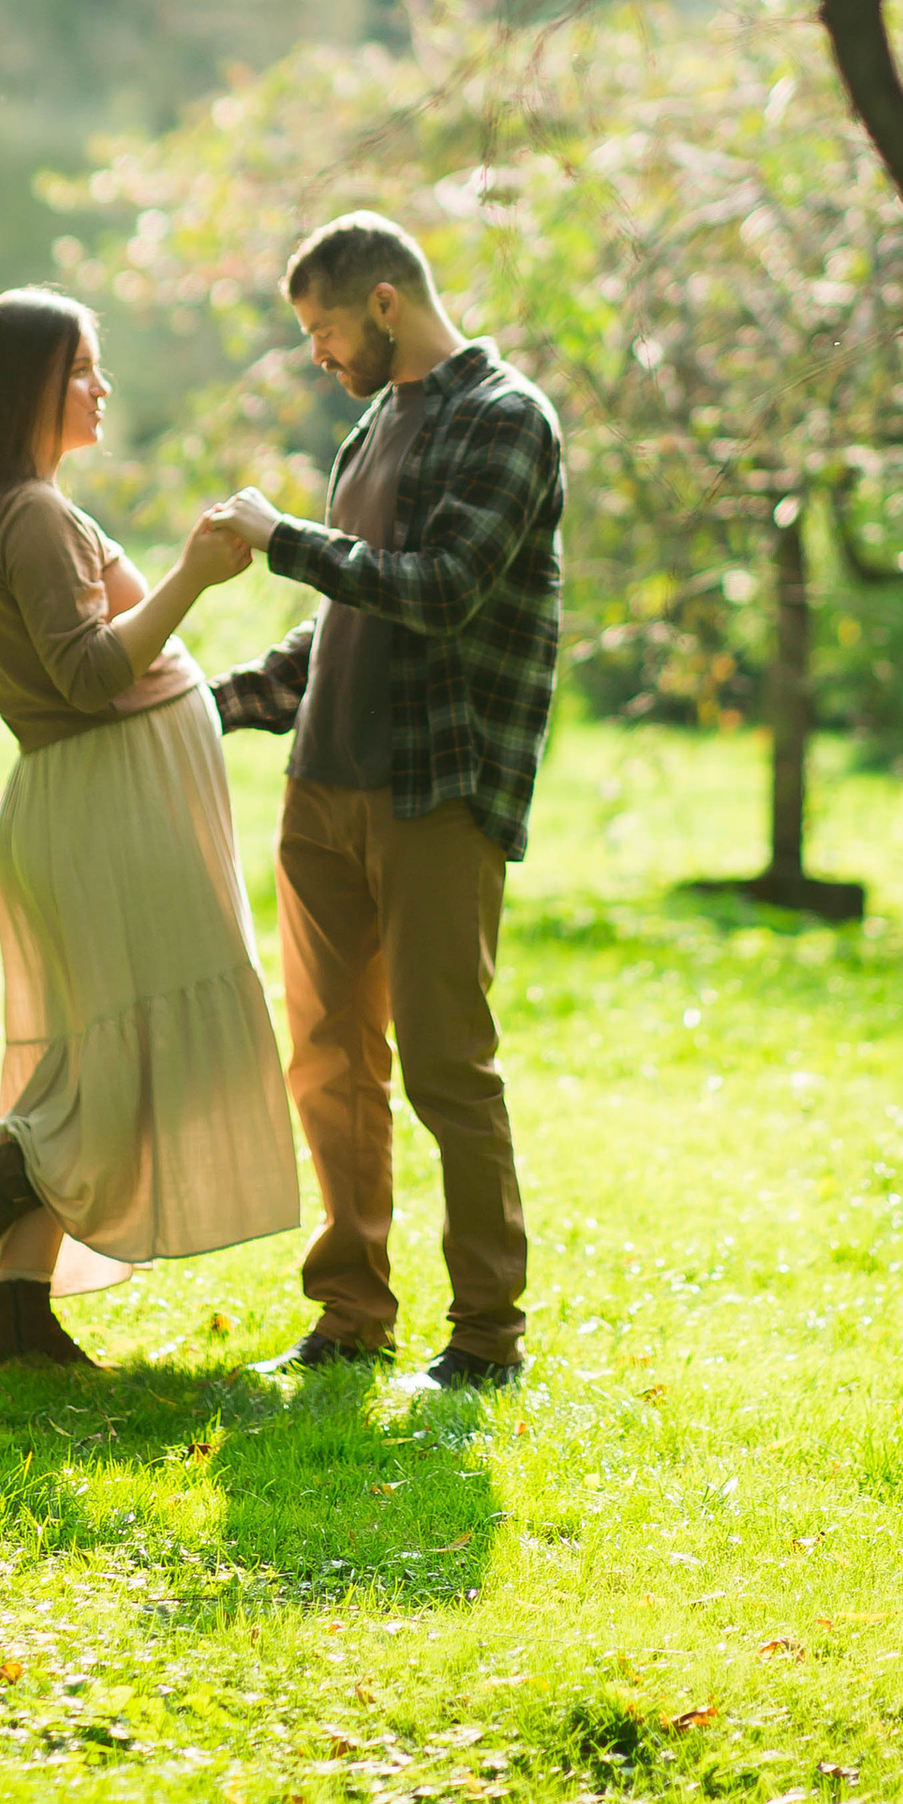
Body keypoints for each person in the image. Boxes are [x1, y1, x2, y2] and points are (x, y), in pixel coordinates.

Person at [205, 213, 563, 1393]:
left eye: (323, 331)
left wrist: (281, 537)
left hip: (432, 795)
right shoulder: (377, 421)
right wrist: (217, 702)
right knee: (326, 1060)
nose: (318, 356)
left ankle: (485, 1339)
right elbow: (353, 610)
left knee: (447, 1067)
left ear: (386, 305)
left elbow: (444, 590)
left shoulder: (506, 420)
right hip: (324, 790)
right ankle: (349, 1315)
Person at [0, 289, 300, 1365]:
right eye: (80, 368)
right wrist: (194, 572)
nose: (101, 386)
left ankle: (16, 1313)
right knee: (139, 1064)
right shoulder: (31, 513)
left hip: (97, 804)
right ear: (27, 388)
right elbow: (90, 676)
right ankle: (4, 1177)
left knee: (97, 1064)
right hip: (104, 807)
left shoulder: (23, 505)